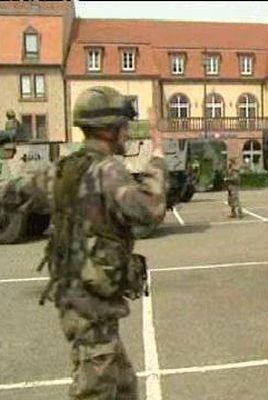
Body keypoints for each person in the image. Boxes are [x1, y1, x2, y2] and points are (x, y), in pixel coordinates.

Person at [5, 86, 167, 399]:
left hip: (82, 302)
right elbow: (149, 210)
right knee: (96, 389)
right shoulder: (107, 170)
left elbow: (16, 192)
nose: (127, 133)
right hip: (91, 306)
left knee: (123, 387)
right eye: (123, 126)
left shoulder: (66, 170)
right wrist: (157, 157)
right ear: (109, 129)